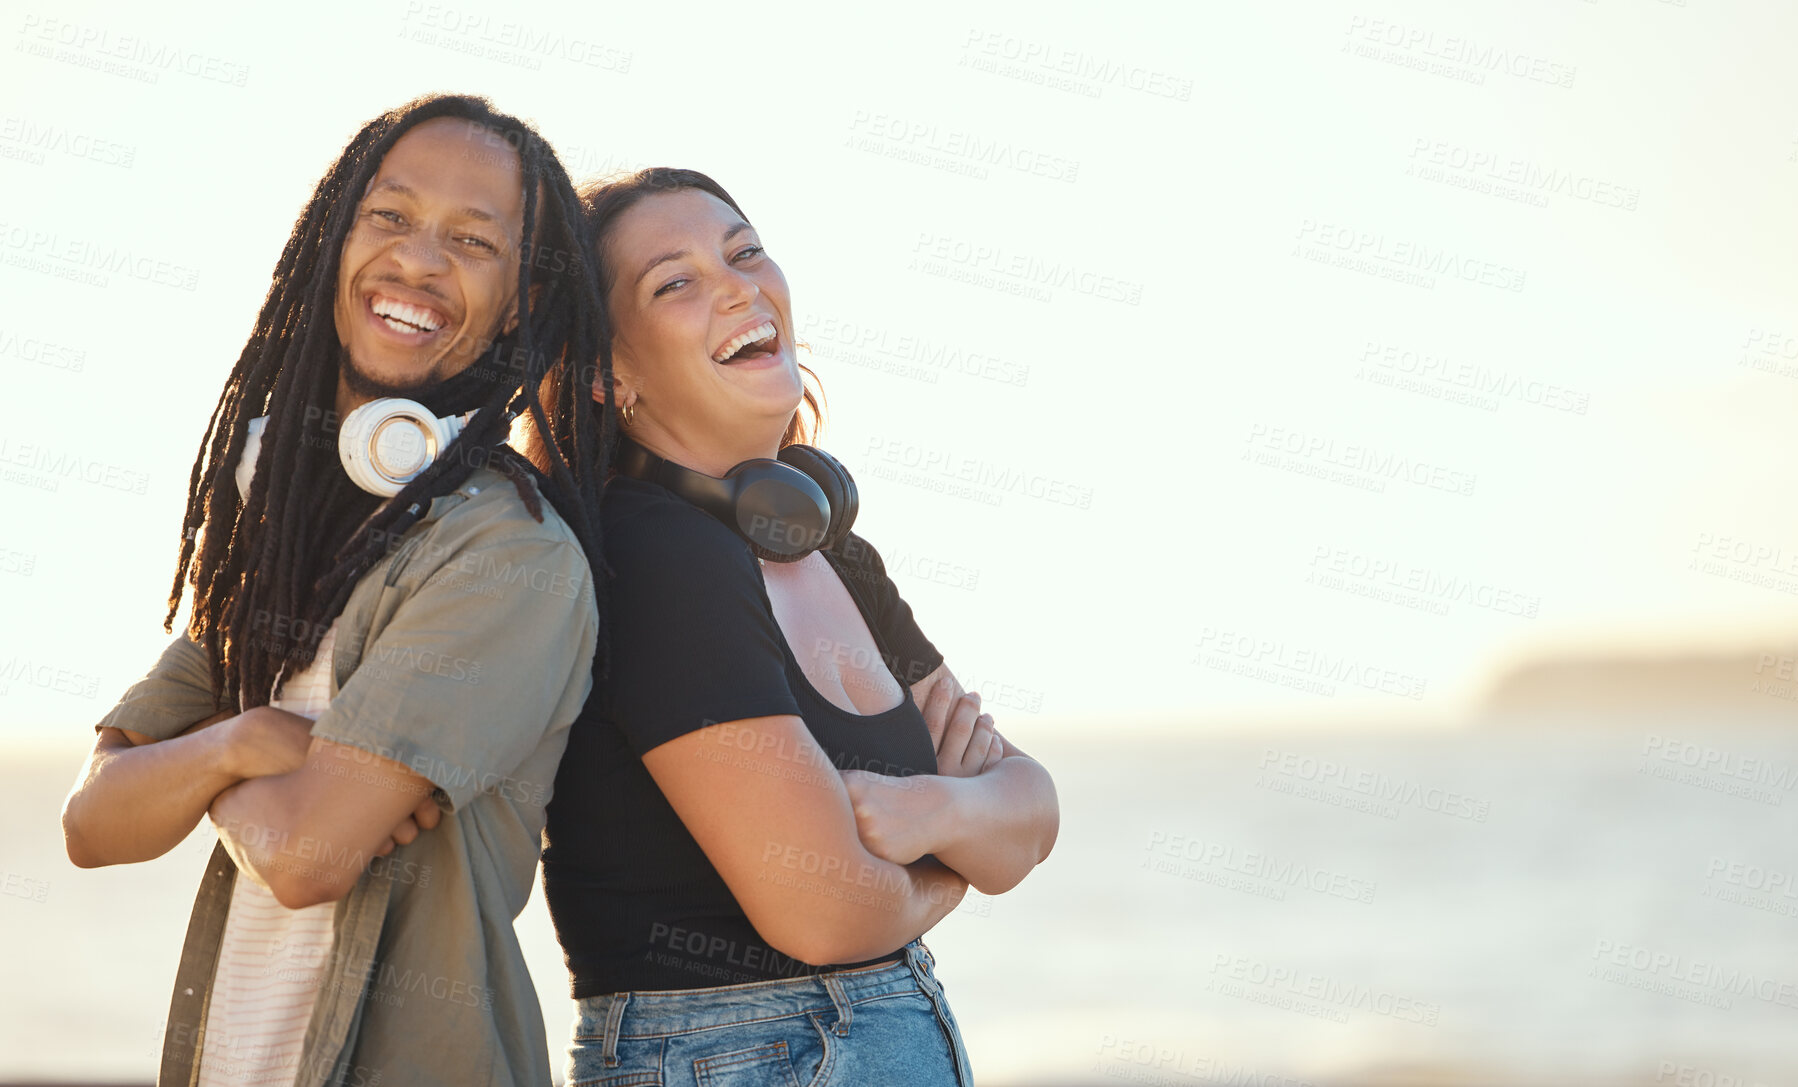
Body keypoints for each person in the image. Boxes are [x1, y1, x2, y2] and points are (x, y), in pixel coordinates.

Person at [59, 94, 612, 1087]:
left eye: (473, 241)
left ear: (524, 302)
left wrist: (194, 774)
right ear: (334, 238)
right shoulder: (274, 538)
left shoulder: (510, 555)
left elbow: (309, 859)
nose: (418, 260)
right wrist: (239, 743)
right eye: (389, 215)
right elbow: (93, 824)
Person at [537, 168, 1059, 1086]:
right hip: (742, 1051)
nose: (737, 285)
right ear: (607, 371)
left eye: (744, 252)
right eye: (676, 281)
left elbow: (1033, 809)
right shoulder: (653, 555)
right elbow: (821, 911)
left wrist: (928, 811)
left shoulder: (829, 551)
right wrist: (959, 862)